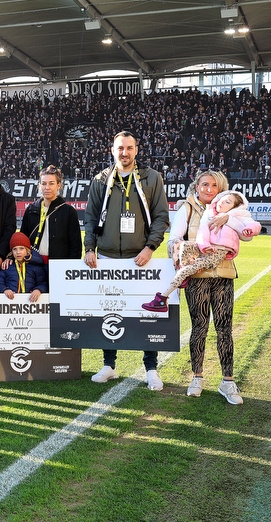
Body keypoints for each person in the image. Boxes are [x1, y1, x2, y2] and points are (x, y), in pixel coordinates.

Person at [82, 131, 170, 390]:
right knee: (109, 310)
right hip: (107, 258)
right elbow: (90, 217)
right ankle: (109, 365)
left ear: (136, 150)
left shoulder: (151, 178)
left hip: (140, 258)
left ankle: (151, 368)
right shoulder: (100, 180)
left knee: (146, 313)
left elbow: (161, 217)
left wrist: (150, 247)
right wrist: (90, 248)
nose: (125, 152)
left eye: (129, 148)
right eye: (120, 148)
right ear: (113, 150)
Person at [165, 172, 251, 403]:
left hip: (224, 276)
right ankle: (197, 377)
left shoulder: (232, 209)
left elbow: (248, 235)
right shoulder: (187, 208)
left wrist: (228, 220)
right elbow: (173, 241)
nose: (209, 189)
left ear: (221, 188)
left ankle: (228, 382)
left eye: (214, 185)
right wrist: (187, 252)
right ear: (197, 186)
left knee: (225, 328)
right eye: (204, 184)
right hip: (197, 277)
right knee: (199, 327)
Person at [143, 190, 260, 313]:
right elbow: (202, 232)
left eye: (228, 202)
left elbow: (253, 225)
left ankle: (162, 299)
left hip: (220, 252)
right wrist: (205, 246)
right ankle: (183, 274)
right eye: (222, 199)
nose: (222, 202)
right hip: (208, 249)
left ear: (234, 207)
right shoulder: (209, 213)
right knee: (184, 246)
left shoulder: (239, 215)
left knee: (186, 270)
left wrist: (248, 229)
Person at [19, 165, 82, 261]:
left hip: (58, 266)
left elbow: (75, 246)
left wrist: (70, 266)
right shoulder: (31, 210)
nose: (47, 187)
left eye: (51, 183)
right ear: (39, 185)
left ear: (58, 185)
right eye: (43, 183)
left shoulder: (68, 212)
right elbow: (22, 240)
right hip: (33, 265)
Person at [0, 232, 47, 302]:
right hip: (11, 303)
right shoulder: (7, 266)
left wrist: (38, 290)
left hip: (31, 304)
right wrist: (5, 290)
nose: (18, 252)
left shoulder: (36, 266)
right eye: (15, 249)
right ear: (11, 252)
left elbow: (43, 283)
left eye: (21, 248)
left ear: (27, 250)